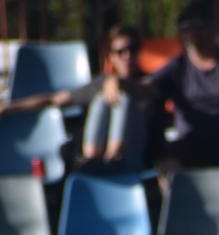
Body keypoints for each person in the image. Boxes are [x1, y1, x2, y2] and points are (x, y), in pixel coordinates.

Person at [150, 1, 219, 209]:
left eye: (200, 26)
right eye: (187, 28)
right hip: (191, 148)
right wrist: (115, 82)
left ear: (213, 28)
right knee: (167, 172)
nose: (194, 33)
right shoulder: (177, 68)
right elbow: (145, 88)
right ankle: (185, 228)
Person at [0, 24, 158, 172]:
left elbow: (146, 92)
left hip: (133, 160)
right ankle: (92, 159)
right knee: (102, 99)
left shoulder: (148, 82)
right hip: (99, 156)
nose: (127, 56)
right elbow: (54, 99)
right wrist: (10, 106)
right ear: (110, 56)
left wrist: (119, 83)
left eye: (132, 49)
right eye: (120, 52)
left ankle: (114, 156)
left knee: (122, 98)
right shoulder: (102, 83)